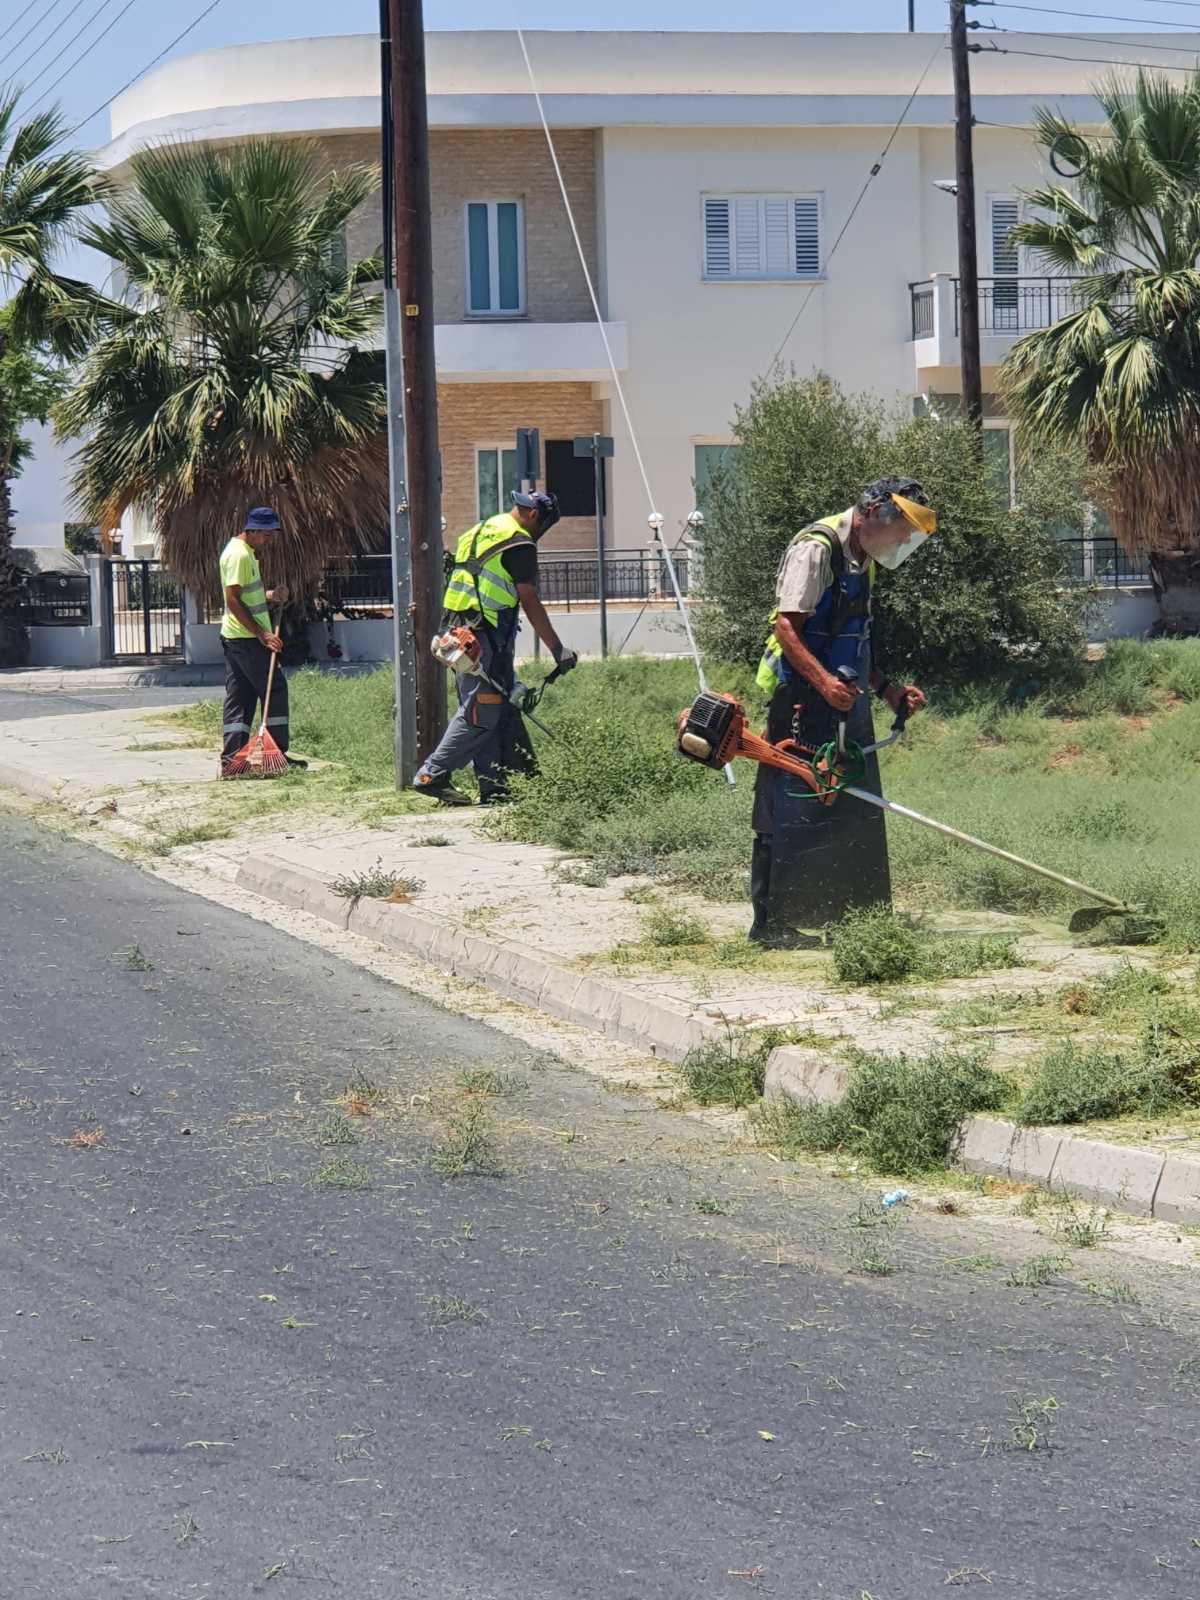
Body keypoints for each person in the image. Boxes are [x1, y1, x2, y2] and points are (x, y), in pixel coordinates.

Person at [749, 477, 937, 943]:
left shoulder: (864, 558)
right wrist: (823, 683)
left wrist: (887, 689)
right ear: (874, 513)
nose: (903, 542)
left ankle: (848, 916)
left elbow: (850, 637)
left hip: (840, 696)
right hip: (797, 694)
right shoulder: (817, 548)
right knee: (790, 801)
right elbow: (787, 629)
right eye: (902, 531)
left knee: (848, 801)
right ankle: (771, 924)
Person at [414, 490, 578, 805]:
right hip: (483, 637)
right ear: (534, 516)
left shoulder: (479, 530)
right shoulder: (519, 542)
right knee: (480, 712)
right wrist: (558, 649)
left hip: (457, 631)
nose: (540, 533)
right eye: (543, 526)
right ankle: (431, 775)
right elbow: (528, 599)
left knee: (487, 709)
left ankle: (495, 788)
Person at [218, 506, 302, 776]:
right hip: (246, 639)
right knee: (274, 690)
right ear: (251, 530)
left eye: (272, 534)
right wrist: (262, 634)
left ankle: (233, 761)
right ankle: (274, 755)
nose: (269, 539)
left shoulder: (246, 553)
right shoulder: (239, 554)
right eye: (265, 534)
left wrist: (270, 596)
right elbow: (232, 600)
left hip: (238, 638)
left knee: (240, 698)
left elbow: (245, 595)